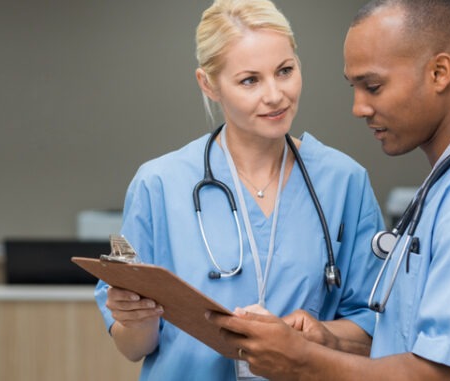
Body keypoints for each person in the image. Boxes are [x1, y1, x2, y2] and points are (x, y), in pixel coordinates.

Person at [206, 0, 450, 380]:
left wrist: (302, 362)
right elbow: (406, 343)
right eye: (354, 87)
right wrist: (327, 341)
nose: (358, 107)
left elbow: (447, 375)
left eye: (373, 86)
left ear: (439, 72)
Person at [93, 0, 385, 379]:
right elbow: (134, 348)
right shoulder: (160, 184)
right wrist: (137, 319)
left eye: (285, 71)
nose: (275, 95)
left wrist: (316, 334)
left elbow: (374, 327)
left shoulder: (344, 181)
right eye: (250, 80)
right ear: (208, 84)